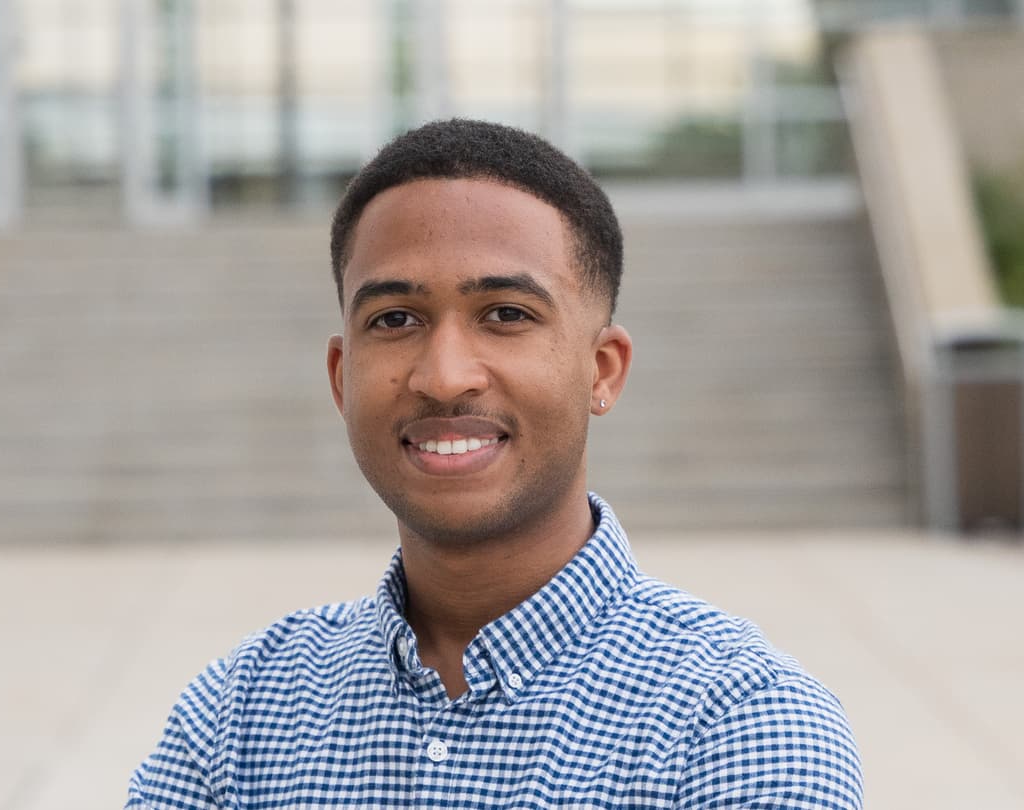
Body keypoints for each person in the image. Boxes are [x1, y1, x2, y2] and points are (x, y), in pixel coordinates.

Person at [126, 119, 863, 809]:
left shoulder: (739, 723)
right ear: (341, 377)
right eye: (395, 320)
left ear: (602, 369)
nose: (444, 377)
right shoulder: (239, 715)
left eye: (507, 314)